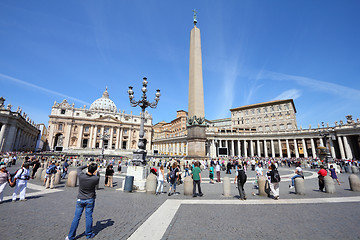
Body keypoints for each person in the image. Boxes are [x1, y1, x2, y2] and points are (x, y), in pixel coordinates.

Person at [66, 163, 99, 240]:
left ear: (88, 169)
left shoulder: (81, 176)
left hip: (80, 199)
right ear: (94, 171)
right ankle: (89, 234)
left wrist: (86, 165)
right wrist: (94, 171)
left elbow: (79, 168)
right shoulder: (95, 178)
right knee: (88, 217)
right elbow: (97, 176)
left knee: (76, 218)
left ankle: (70, 236)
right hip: (90, 199)